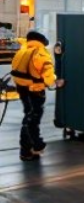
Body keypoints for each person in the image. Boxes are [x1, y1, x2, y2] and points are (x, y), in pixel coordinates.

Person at [11, 30, 64, 161]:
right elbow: (48, 78)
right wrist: (56, 80)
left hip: (22, 88)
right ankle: (35, 144)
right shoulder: (41, 54)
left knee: (29, 116)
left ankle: (28, 150)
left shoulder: (22, 50)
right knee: (32, 119)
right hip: (35, 90)